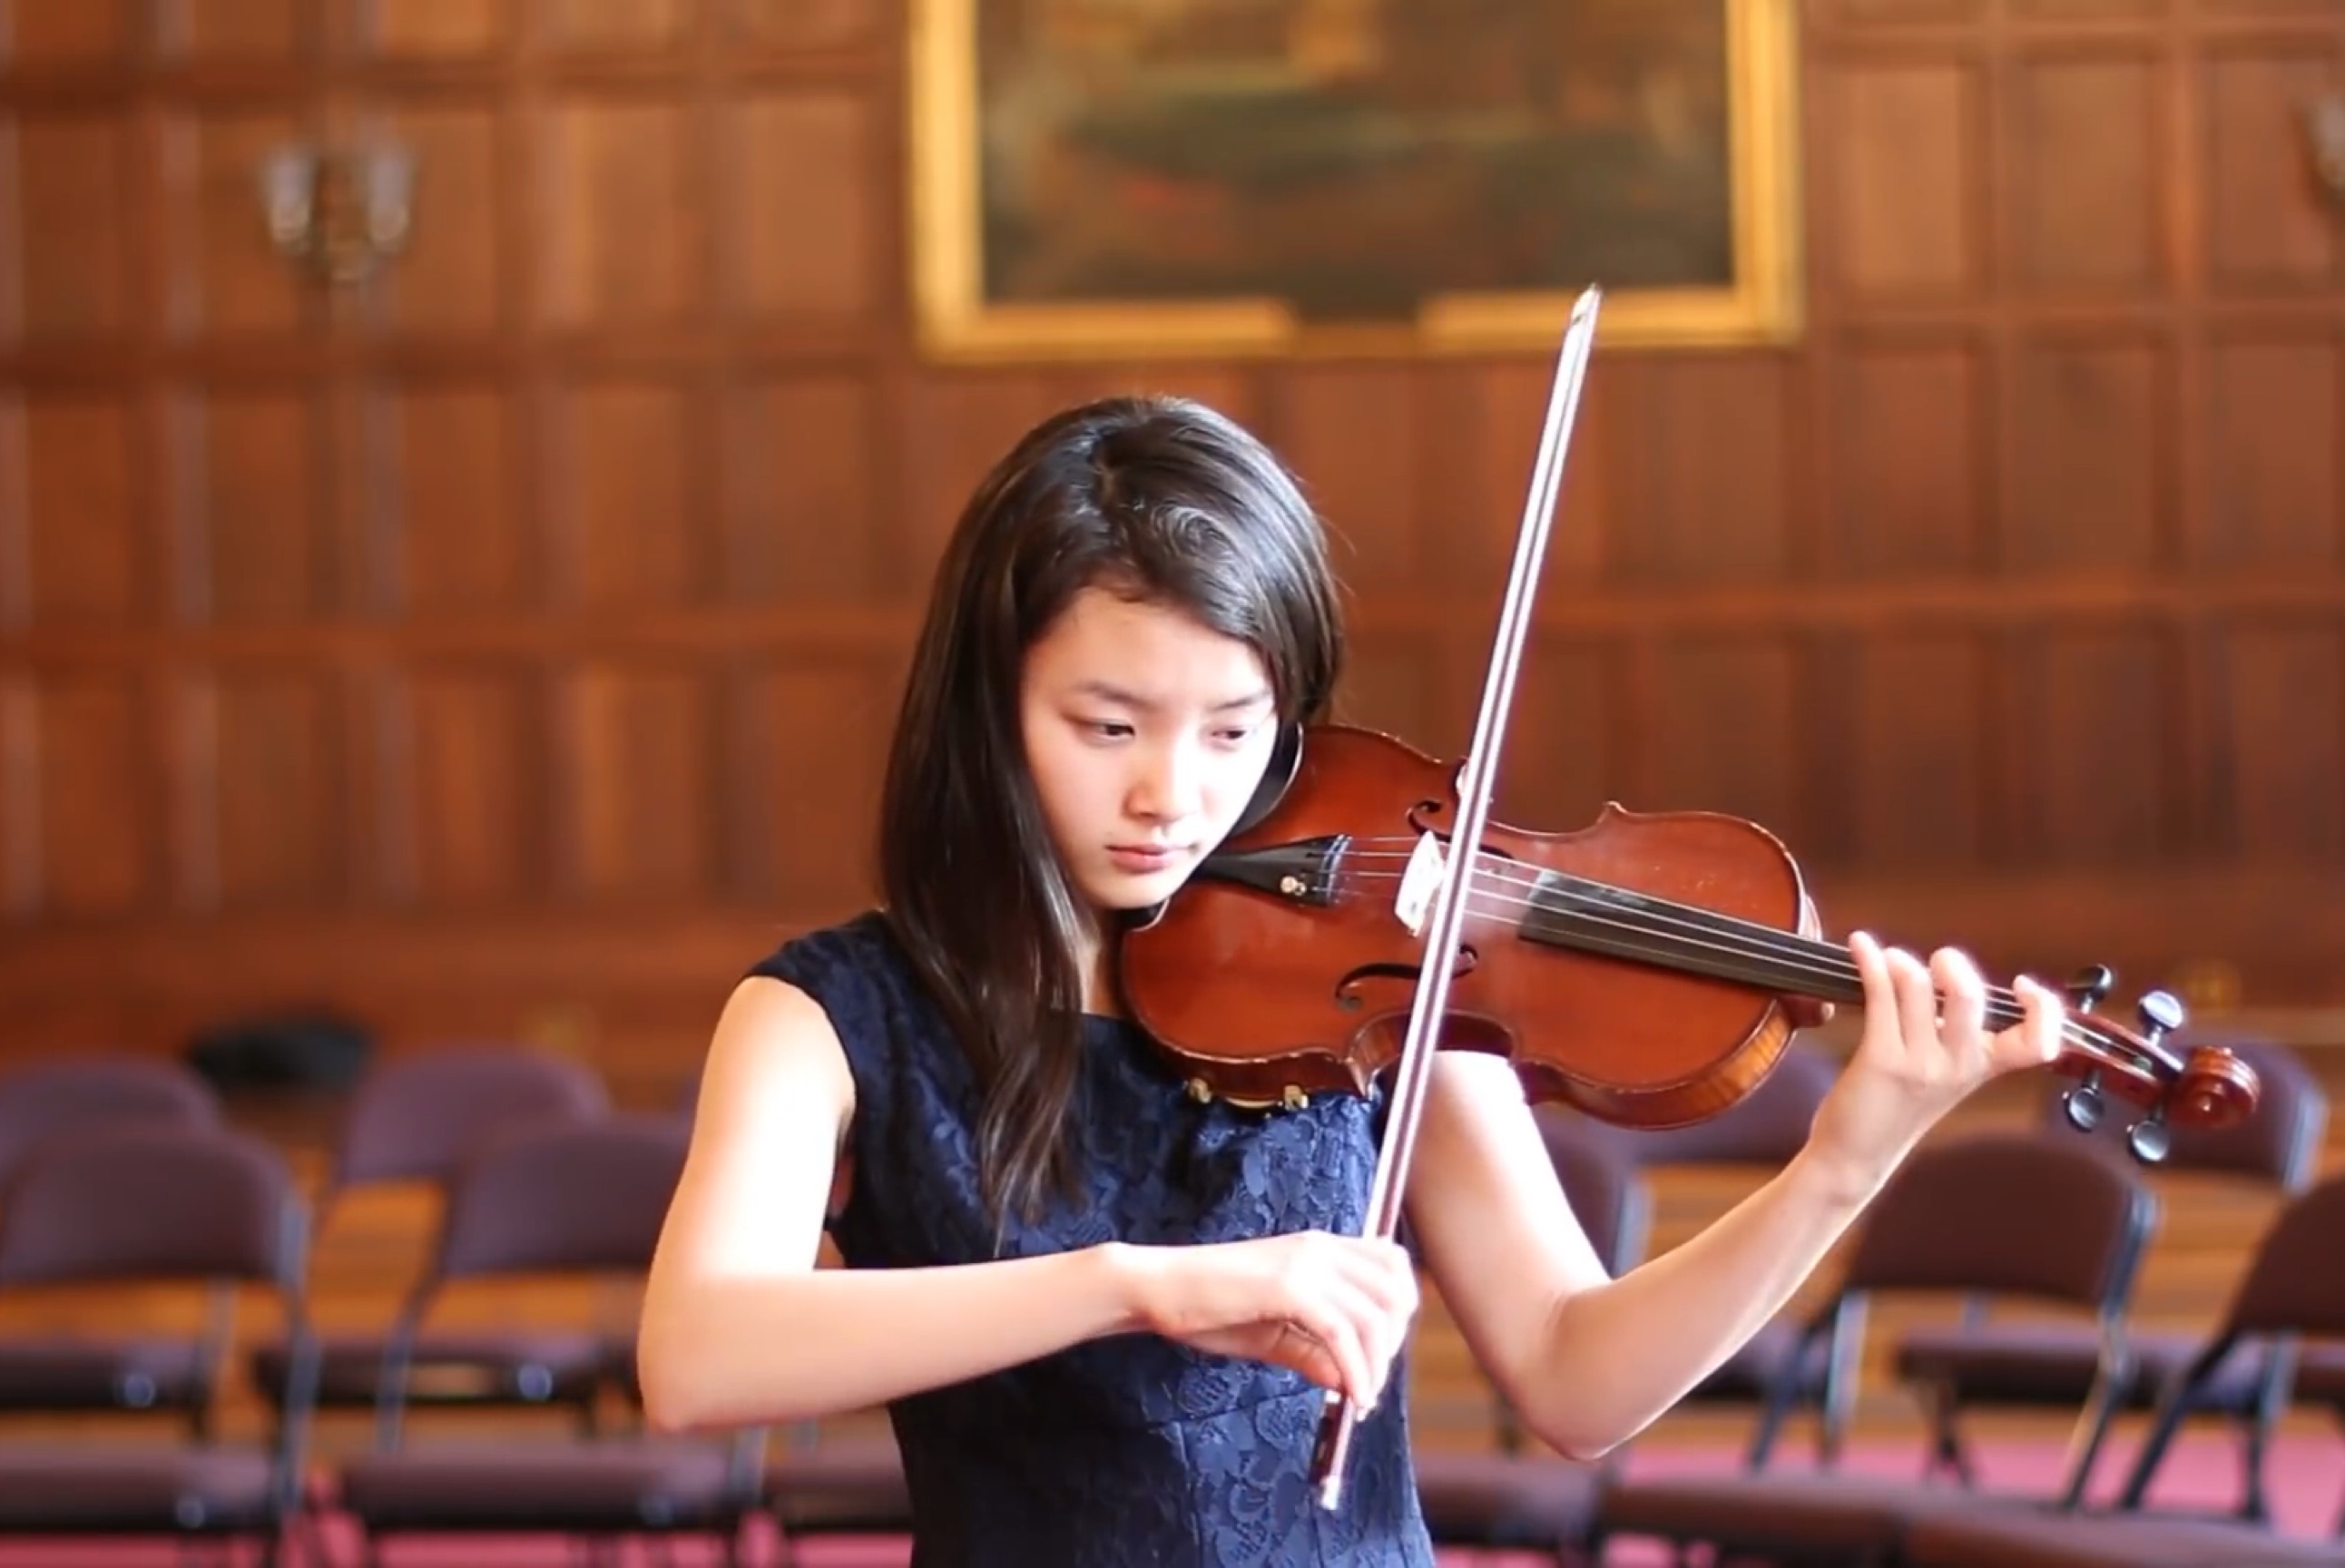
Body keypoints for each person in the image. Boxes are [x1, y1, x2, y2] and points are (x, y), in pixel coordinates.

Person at [636, 396, 2066, 1565]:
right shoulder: (830, 1020)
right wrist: (1138, 1289)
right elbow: (697, 1357)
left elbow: (1579, 1380)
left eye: (1231, 730)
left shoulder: (1379, 990)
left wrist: (1841, 1160)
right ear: (989, 704)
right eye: (1108, 723)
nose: (1170, 793)